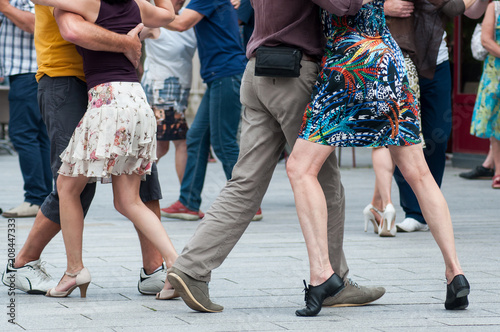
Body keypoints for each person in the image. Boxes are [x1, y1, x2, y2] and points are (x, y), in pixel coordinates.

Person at [166, 0, 386, 315]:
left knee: (244, 182)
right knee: (325, 182)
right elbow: (343, 6)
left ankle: (191, 268)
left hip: (258, 71)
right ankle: (333, 279)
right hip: (293, 74)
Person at [286, 0, 470, 315]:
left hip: (352, 62)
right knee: (419, 173)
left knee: (300, 168)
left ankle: (321, 275)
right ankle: (456, 273)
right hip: (390, 61)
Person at [1, 2, 166, 296]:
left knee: (141, 173)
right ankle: (23, 263)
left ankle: (155, 269)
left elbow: (164, 16)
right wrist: (126, 42)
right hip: (64, 80)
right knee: (74, 180)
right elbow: (73, 29)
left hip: (113, 82)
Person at [394, 0, 488, 232]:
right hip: (400, 61)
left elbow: (471, 11)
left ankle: (428, 206)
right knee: (404, 134)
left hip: (437, 62)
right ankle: (414, 211)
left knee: (438, 133)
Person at [159, 0, 247, 222]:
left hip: (226, 74)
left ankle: (247, 203)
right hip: (219, 76)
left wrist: (150, 14)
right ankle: (188, 202)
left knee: (223, 143)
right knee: (196, 138)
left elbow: (181, 24)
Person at [363, 0, 420, 237]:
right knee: (397, 137)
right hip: (399, 59)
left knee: (381, 139)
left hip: (367, 58)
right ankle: (383, 205)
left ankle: (381, 205)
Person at [0, 0, 52, 219]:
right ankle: (46, 198)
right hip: (24, 73)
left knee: (23, 134)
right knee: (38, 136)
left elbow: (35, 24)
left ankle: (36, 197)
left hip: (28, 72)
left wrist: (6, 8)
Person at [140, 0, 197, 185]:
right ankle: (186, 198)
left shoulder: (189, 20)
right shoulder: (154, 23)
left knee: (161, 147)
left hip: (180, 94)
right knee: (182, 142)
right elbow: (128, 37)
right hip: (160, 94)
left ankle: (134, 185)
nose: (178, 1)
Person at [470, 1, 500, 189]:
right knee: (496, 121)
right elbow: (486, 40)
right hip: (495, 72)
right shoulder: (495, 6)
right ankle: (498, 171)